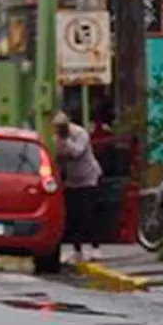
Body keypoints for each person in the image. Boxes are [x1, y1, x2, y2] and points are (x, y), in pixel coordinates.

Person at [53, 110, 104, 262]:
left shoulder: (80, 133)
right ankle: (77, 250)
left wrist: (65, 140)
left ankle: (95, 247)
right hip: (71, 180)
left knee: (88, 213)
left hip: (88, 178)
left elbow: (77, 152)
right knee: (73, 216)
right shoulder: (57, 137)